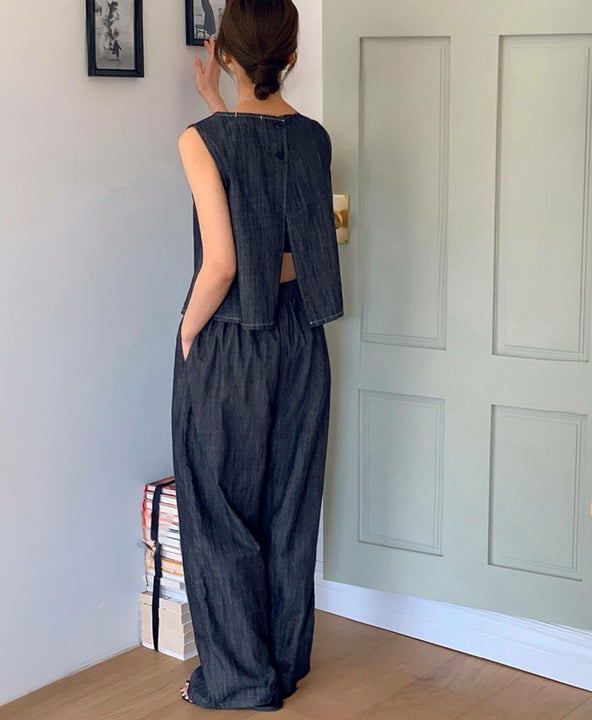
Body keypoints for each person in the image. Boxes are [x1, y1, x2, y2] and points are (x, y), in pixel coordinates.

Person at [171, 0, 344, 711]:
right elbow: (275, 213)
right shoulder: (314, 139)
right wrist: (221, 99)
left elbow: (222, 263)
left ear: (224, 53)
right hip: (301, 337)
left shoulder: (198, 141)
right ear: (293, 56)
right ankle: (283, 664)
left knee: (219, 508)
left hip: (231, 340)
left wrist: (188, 330)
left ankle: (241, 681)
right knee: (288, 506)